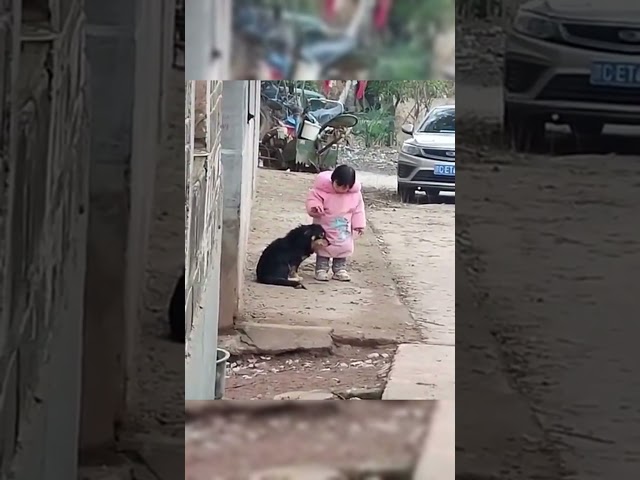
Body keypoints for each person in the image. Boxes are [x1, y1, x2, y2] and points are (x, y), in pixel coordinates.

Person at [306, 165, 366, 282]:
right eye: (339, 185)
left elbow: (358, 210)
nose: (342, 190)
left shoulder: (355, 195)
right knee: (324, 246)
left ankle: (339, 269)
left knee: (342, 246)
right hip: (324, 225)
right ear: (333, 180)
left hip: (343, 227)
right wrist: (315, 208)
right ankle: (321, 269)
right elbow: (313, 200)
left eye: (346, 187)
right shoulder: (322, 191)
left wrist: (359, 224)